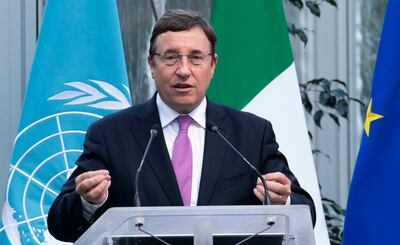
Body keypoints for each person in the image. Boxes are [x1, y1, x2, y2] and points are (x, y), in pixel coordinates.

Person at [47, 9, 316, 242]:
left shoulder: (251, 134)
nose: (184, 70)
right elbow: (59, 223)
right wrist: (88, 202)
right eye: (171, 57)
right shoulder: (110, 134)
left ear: (213, 64)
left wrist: (283, 201)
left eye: (196, 57)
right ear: (151, 64)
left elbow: (306, 211)